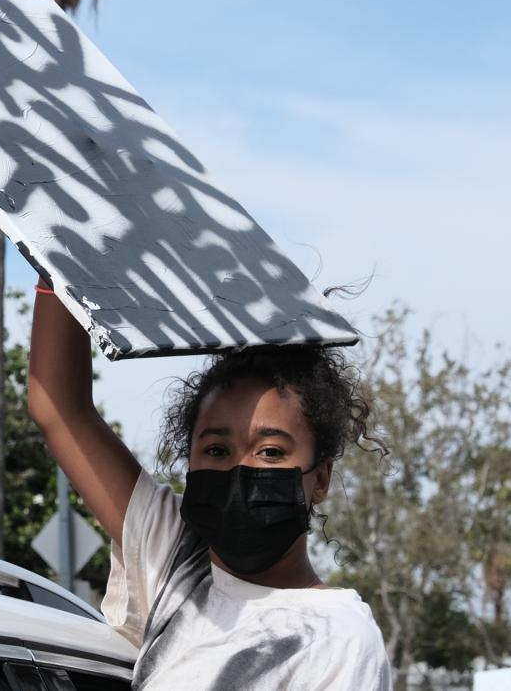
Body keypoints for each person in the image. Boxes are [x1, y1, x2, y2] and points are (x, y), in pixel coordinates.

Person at [27, 275, 392, 690]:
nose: (240, 470)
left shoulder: (339, 636)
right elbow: (59, 408)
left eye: (271, 451)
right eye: (217, 451)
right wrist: (59, 262)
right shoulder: (176, 556)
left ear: (320, 478)